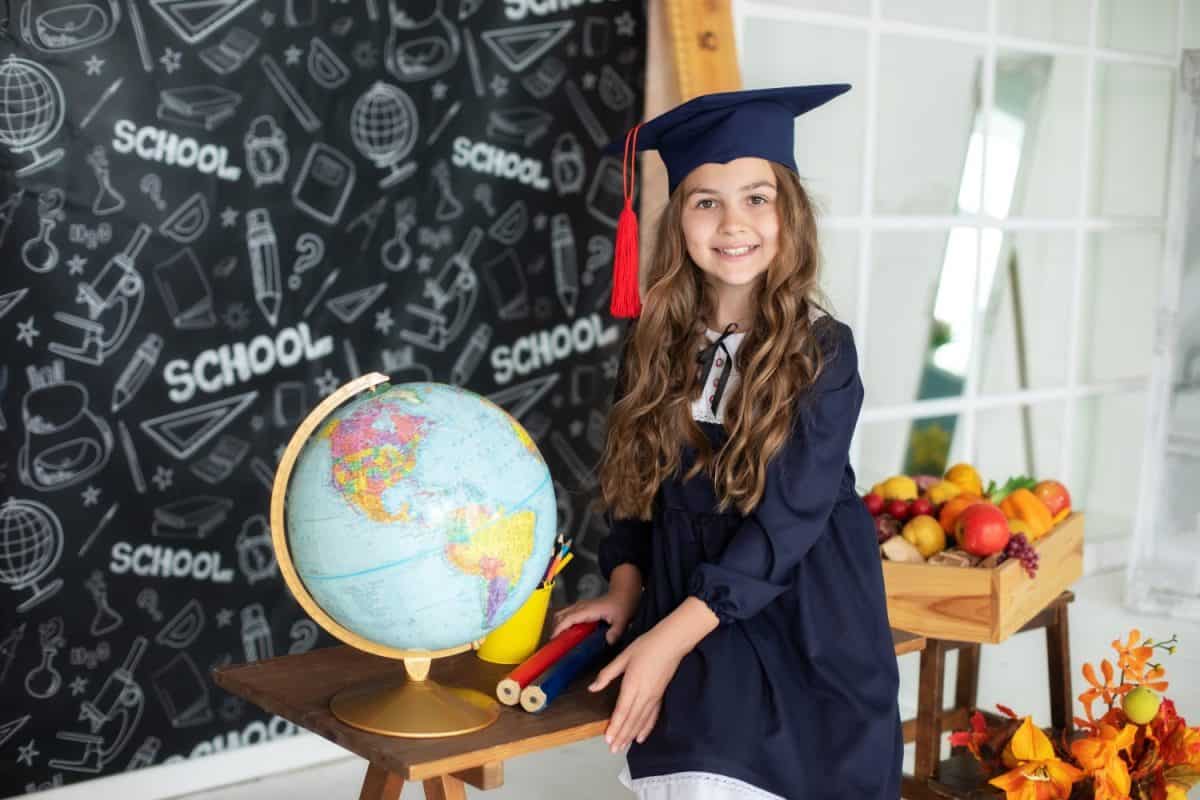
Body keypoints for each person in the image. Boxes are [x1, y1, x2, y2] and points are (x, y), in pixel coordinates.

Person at [549, 85, 903, 799]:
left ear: (789, 213)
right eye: (706, 200)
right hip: (692, 612)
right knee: (699, 772)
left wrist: (663, 642)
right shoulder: (652, 347)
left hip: (805, 617)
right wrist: (625, 589)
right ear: (677, 218)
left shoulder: (824, 354)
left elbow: (786, 525)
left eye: (757, 198)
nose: (732, 222)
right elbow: (634, 494)